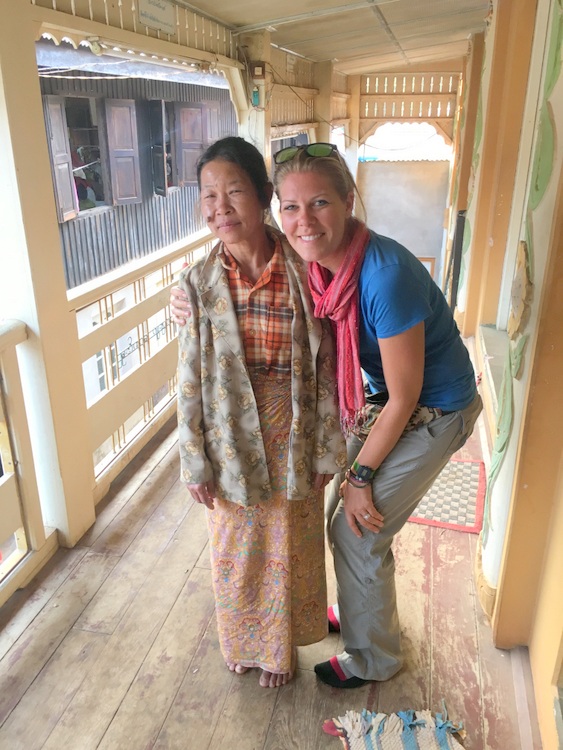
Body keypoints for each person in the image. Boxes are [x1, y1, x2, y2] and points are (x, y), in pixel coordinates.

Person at [172, 141, 482, 690]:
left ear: (348, 200)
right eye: (291, 208)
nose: (303, 220)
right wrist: (178, 300)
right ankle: (360, 612)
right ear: (277, 209)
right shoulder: (318, 268)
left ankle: (374, 657)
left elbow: (406, 396)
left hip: (436, 408)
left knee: (357, 527)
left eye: (318, 203)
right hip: (386, 400)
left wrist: (359, 472)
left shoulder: (380, 275)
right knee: (343, 514)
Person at [174, 137, 346, 689]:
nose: (219, 208)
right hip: (231, 441)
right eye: (208, 196)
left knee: (288, 546)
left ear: (266, 196)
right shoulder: (198, 285)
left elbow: (328, 364)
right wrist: (193, 460)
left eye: (234, 192)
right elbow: (189, 380)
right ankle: (243, 643)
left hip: (294, 433)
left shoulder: (304, 267)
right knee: (236, 549)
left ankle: (279, 650)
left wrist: (327, 447)